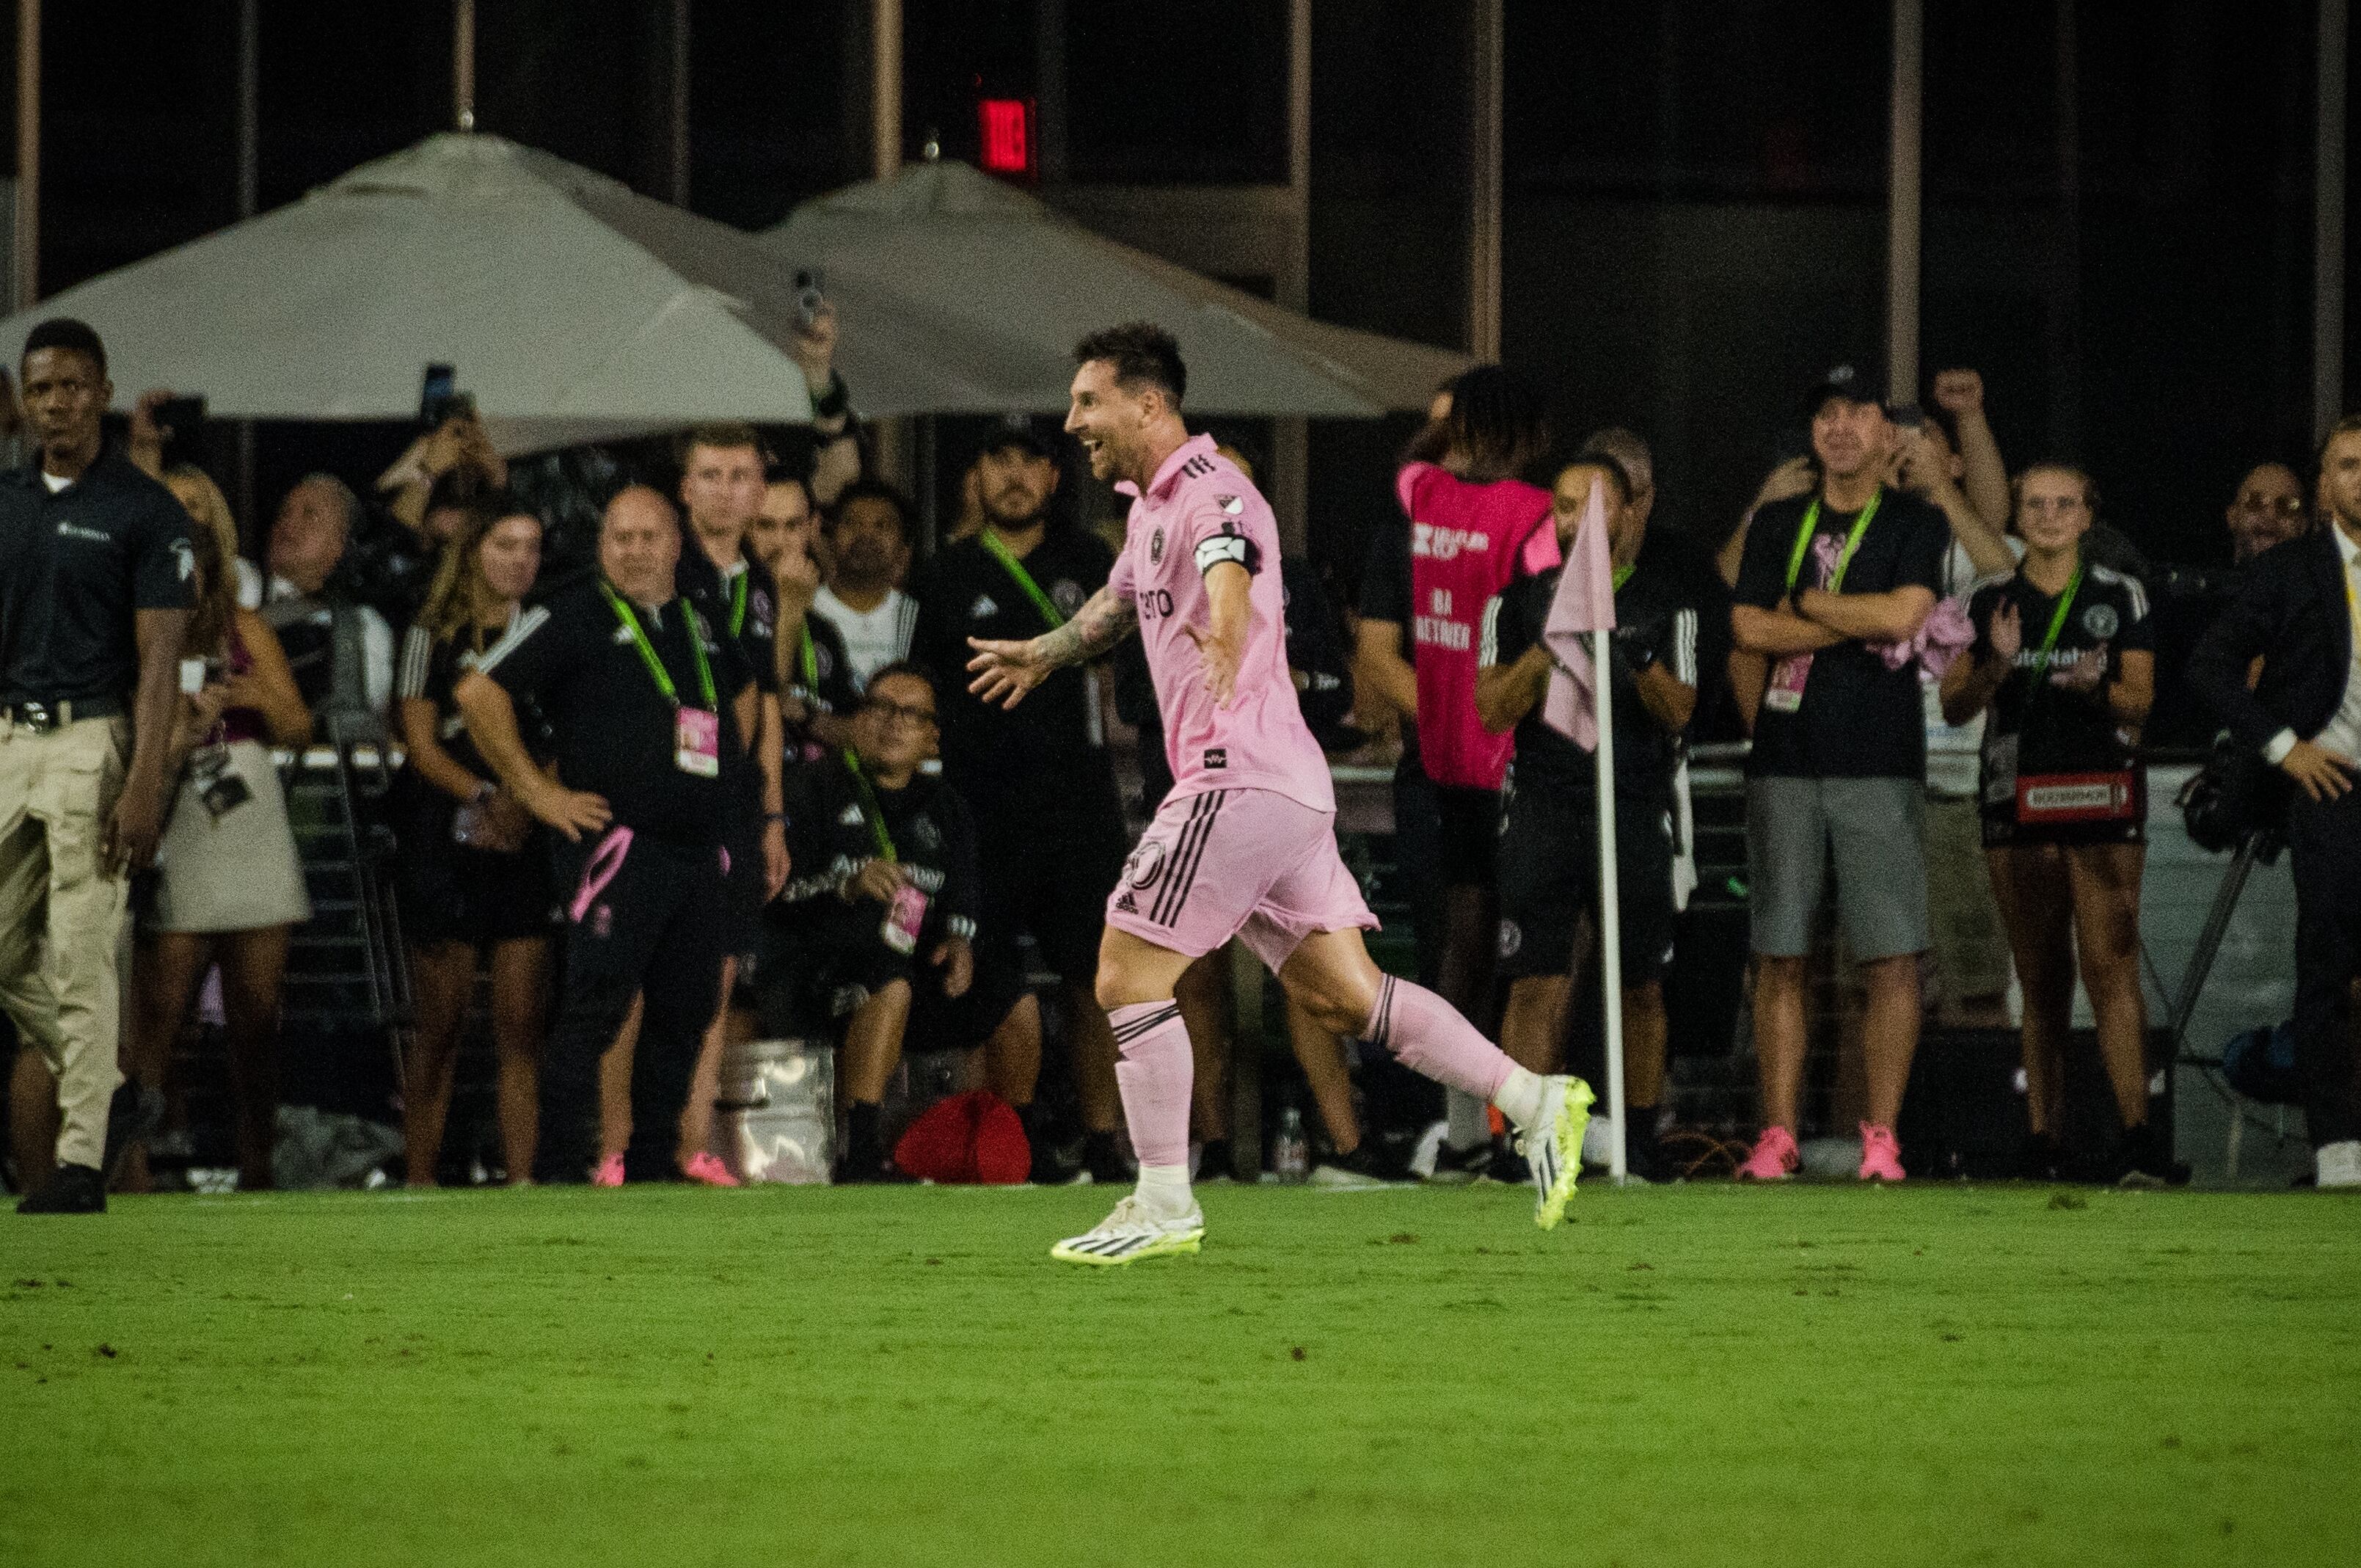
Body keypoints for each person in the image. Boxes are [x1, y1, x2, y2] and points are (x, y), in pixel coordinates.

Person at [968, 322, 1592, 1263]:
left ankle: (1164, 1200)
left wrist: (1224, 624)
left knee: (1122, 974)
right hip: (1282, 789)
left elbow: (1229, 565)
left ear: (1148, 404)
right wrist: (1046, 653)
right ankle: (1537, 1099)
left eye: (1087, 402)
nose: (1073, 421)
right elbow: (1115, 602)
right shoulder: (1150, 509)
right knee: (1349, 997)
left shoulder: (1213, 489)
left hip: (1237, 780)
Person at [456, 486, 761, 1184]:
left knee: (686, 1009)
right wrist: (537, 792)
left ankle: (655, 1163)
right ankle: (561, 1169)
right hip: (618, 845)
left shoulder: (700, 616)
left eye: (648, 536)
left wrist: (731, 785)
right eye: (619, 537)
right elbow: (478, 692)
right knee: (598, 1004)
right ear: (601, 548)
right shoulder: (572, 614)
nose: (634, 550)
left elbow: (744, 691)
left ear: (675, 544)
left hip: (698, 848)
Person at [1727, 363, 1949, 1183]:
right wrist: (1857, 619)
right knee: (1779, 953)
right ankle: (1777, 1135)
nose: (1841, 427)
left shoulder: (1913, 521)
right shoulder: (1777, 519)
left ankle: (1879, 1138)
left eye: (1858, 412)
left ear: (1885, 432)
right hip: (1783, 761)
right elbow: (1747, 627)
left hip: (1877, 761)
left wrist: (1809, 607)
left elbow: (1905, 615)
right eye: (1826, 413)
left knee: (1889, 957)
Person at [1940, 464, 2181, 1184]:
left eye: (2063, 504)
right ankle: (2044, 1139)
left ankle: (2134, 1137)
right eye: (2035, 505)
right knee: (2040, 975)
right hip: (2015, 795)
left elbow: (2138, 702)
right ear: (2016, 514)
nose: (2048, 517)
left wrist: (2094, 687)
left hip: (2100, 790)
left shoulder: (2117, 593)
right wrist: (1997, 667)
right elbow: (1955, 705)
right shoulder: (1985, 598)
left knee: (2110, 963)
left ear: (2085, 516)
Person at [0, 318, 194, 1214]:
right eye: (41, 388)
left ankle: (81, 1163)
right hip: (8, 739)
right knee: (12, 954)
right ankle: (110, 1095)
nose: (56, 403)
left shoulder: (145, 511)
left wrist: (145, 779)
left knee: (81, 949)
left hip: (92, 738)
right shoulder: (6, 501)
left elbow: (161, 661)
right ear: (22, 399)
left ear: (104, 392)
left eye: (73, 385)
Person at [913, 426, 1131, 1185]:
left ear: (1050, 476)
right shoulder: (942, 574)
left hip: (1077, 806)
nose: (1011, 477)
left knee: (1092, 980)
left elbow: (1124, 670)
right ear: (975, 475)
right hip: (979, 808)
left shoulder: (1089, 563)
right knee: (984, 979)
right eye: (994, 460)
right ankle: (999, 1140)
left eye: (1027, 463)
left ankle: (1103, 1137)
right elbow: (915, 685)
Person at [1477, 452, 1699, 1184]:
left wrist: (1634, 657)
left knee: (1639, 981)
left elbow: (1679, 711)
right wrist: (1546, 653)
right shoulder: (1513, 604)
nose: (1577, 522)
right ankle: (1523, 1141)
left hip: (1631, 805)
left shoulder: (1669, 603)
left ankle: (1636, 1139)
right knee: (1534, 977)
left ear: (1628, 513)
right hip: (1544, 803)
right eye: (1565, 506)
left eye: (1594, 505)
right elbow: (1490, 708)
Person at [1354, 366, 1554, 1177]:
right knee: (1495, 950)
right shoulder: (1527, 518)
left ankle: (1478, 1130)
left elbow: (1411, 469)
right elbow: (1376, 653)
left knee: (1480, 952)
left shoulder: (1426, 502)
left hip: (1467, 760)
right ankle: (1489, 1132)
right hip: (1485, 763)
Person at [589, 424, 788, 1189]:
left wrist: (771, 816)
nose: (727, 489)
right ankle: (616, 1145)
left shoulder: (759, 581)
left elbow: (762, 701)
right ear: (686, 488)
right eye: (711, 474)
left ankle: (688, 1141)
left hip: (730, 805)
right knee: (633, 974)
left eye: (742, 474)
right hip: (653, 800)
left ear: (759, 488)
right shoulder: (661, 565)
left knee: (713, 976)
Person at [767, 663, 1029, 1181]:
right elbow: (776, 898)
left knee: (1012, 995)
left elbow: (963, 904)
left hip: (910, 966)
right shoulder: (810, 787)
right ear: (856, 719)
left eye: (911, 715)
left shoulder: (947, 807)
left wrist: (959, 943)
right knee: (889, 977)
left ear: (932, 740)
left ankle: (1011, 1142)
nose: (892, 723)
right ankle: (859, 1153)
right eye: (880, 708)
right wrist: (846, 886)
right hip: (819, 961)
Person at [2188, 416, 2361, 1190]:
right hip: (2332, 780)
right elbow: (2210, 665)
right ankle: (2335, 1144)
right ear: (2322, 485)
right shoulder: (2288, 569)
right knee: (2325, 958)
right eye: (2348, 465)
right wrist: (2282, 745)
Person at [129, 517, 313, 1193]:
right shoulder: (141, 631)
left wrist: (250, 694)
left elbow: (298, 723)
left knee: (256, 1016)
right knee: (159, 1012)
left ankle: (257, 1163)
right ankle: (134, 1163)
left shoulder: (246, 627)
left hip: (245, 804)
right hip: (176, 800)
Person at [392, 501, 552, 1186]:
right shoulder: (432, 633)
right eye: (504, 543)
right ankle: (420, 1178)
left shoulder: (547, 631)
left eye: (531, 546)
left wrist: (530, 799)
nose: (519, 559)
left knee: (520, 1025)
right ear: (472, 552)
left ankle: (521, 1180)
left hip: (526, 835)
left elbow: (564, 732)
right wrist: (485, 797)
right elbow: (420, 743)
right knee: (444, 1022)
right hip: (445, 837)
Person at [258, 474, 396, 726]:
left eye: (310, 515)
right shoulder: (240, 590)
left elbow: (360, 720)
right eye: (284, 513)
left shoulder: (363, 628)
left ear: (339, 546)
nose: (288, 523)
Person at [751, 473, 859, 764]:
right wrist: (788, 608)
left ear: (812, 528)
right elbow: (760, 710)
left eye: (792, 526)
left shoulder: (823, 629)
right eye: (765, 525)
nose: (780, 542)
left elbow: (853, 730)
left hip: (818, 796)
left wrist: (807, 715)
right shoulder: (727, 607)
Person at [812, 478, 920, 690]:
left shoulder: (916, 615)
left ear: (904, 549)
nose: (866, 535)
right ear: (831, 539)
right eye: (852, 523)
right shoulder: (808, 607)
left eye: (882, 526)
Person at [2224, 462, 2309, 564]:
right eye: (2255, 501)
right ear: (2232, 516)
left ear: (2303, 525)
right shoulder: (2204, 580)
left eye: (2286, 506)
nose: (2271, 515)